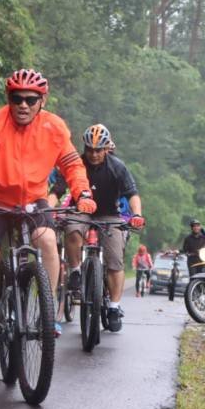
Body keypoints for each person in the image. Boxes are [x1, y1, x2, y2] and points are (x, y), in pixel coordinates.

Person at [0, 68, 96, 347]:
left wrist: (83, 193)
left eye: (30, 99)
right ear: (8, 98)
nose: (23, 105)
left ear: (42, 101)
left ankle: (47, 312)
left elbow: (73, 165)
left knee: (48, 240)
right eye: (17, 99)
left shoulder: (54, 128)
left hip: (32, 201)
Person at [49, 123, 145, 332]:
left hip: (109, 214)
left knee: (115, 261)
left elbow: (132, 194)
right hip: (81, 211)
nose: (93, 154)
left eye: (98, 150)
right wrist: (46, 210)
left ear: (106, 149)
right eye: (90, 150)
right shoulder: (75, 164)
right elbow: (57, 191)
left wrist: (136, 215)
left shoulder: (117, 167)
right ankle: (75, 271)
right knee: (72, 229)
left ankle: (113, 306)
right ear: (84, 148)